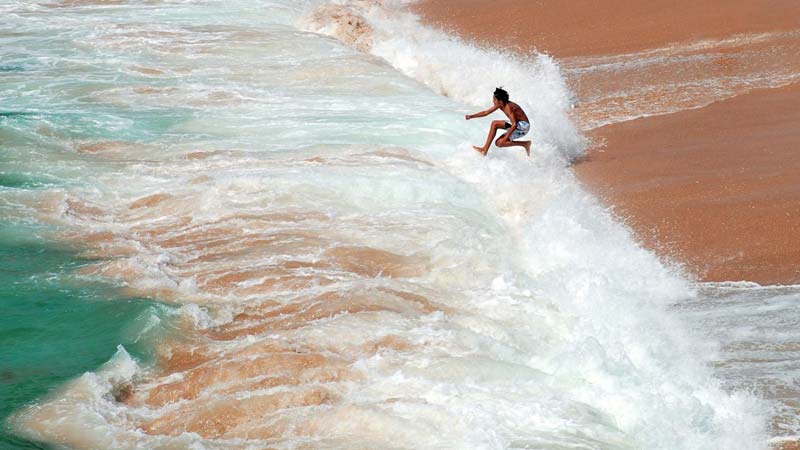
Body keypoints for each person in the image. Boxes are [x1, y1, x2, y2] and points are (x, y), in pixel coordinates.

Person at [465, 87, 532, 157]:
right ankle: (525, 144)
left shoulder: (508, 107)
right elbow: (486, 112)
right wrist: (471, 116)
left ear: (500, 101)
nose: (493, 101)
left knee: (495, 124)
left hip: (524, 126)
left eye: (494, 99)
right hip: (519, 127)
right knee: (499, 143)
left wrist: (506, 138)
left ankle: (484, 150)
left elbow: (514, 124)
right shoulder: (500, 104)